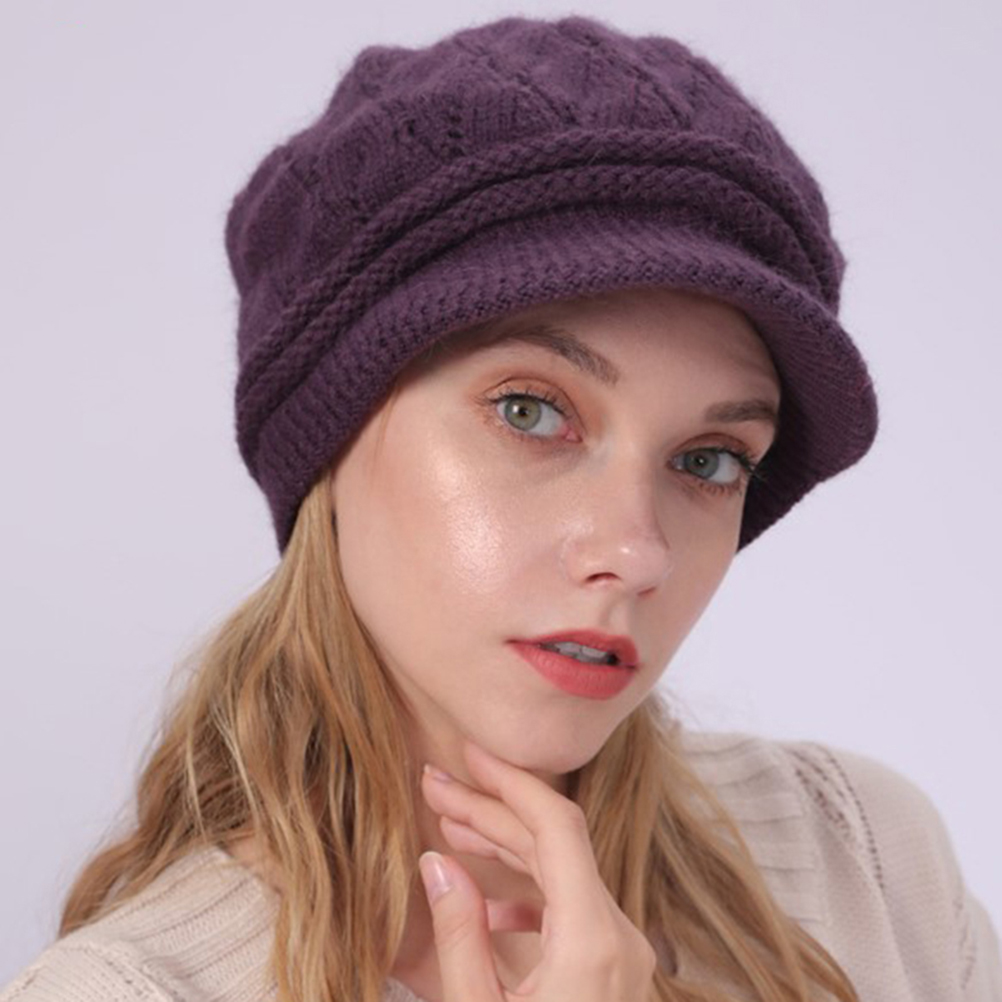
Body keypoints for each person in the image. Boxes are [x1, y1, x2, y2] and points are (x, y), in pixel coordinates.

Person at [1, 12, 998, 1002]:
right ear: (329, 436)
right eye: (530, 411)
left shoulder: (867, 865)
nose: (637, 551)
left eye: (709, 459)